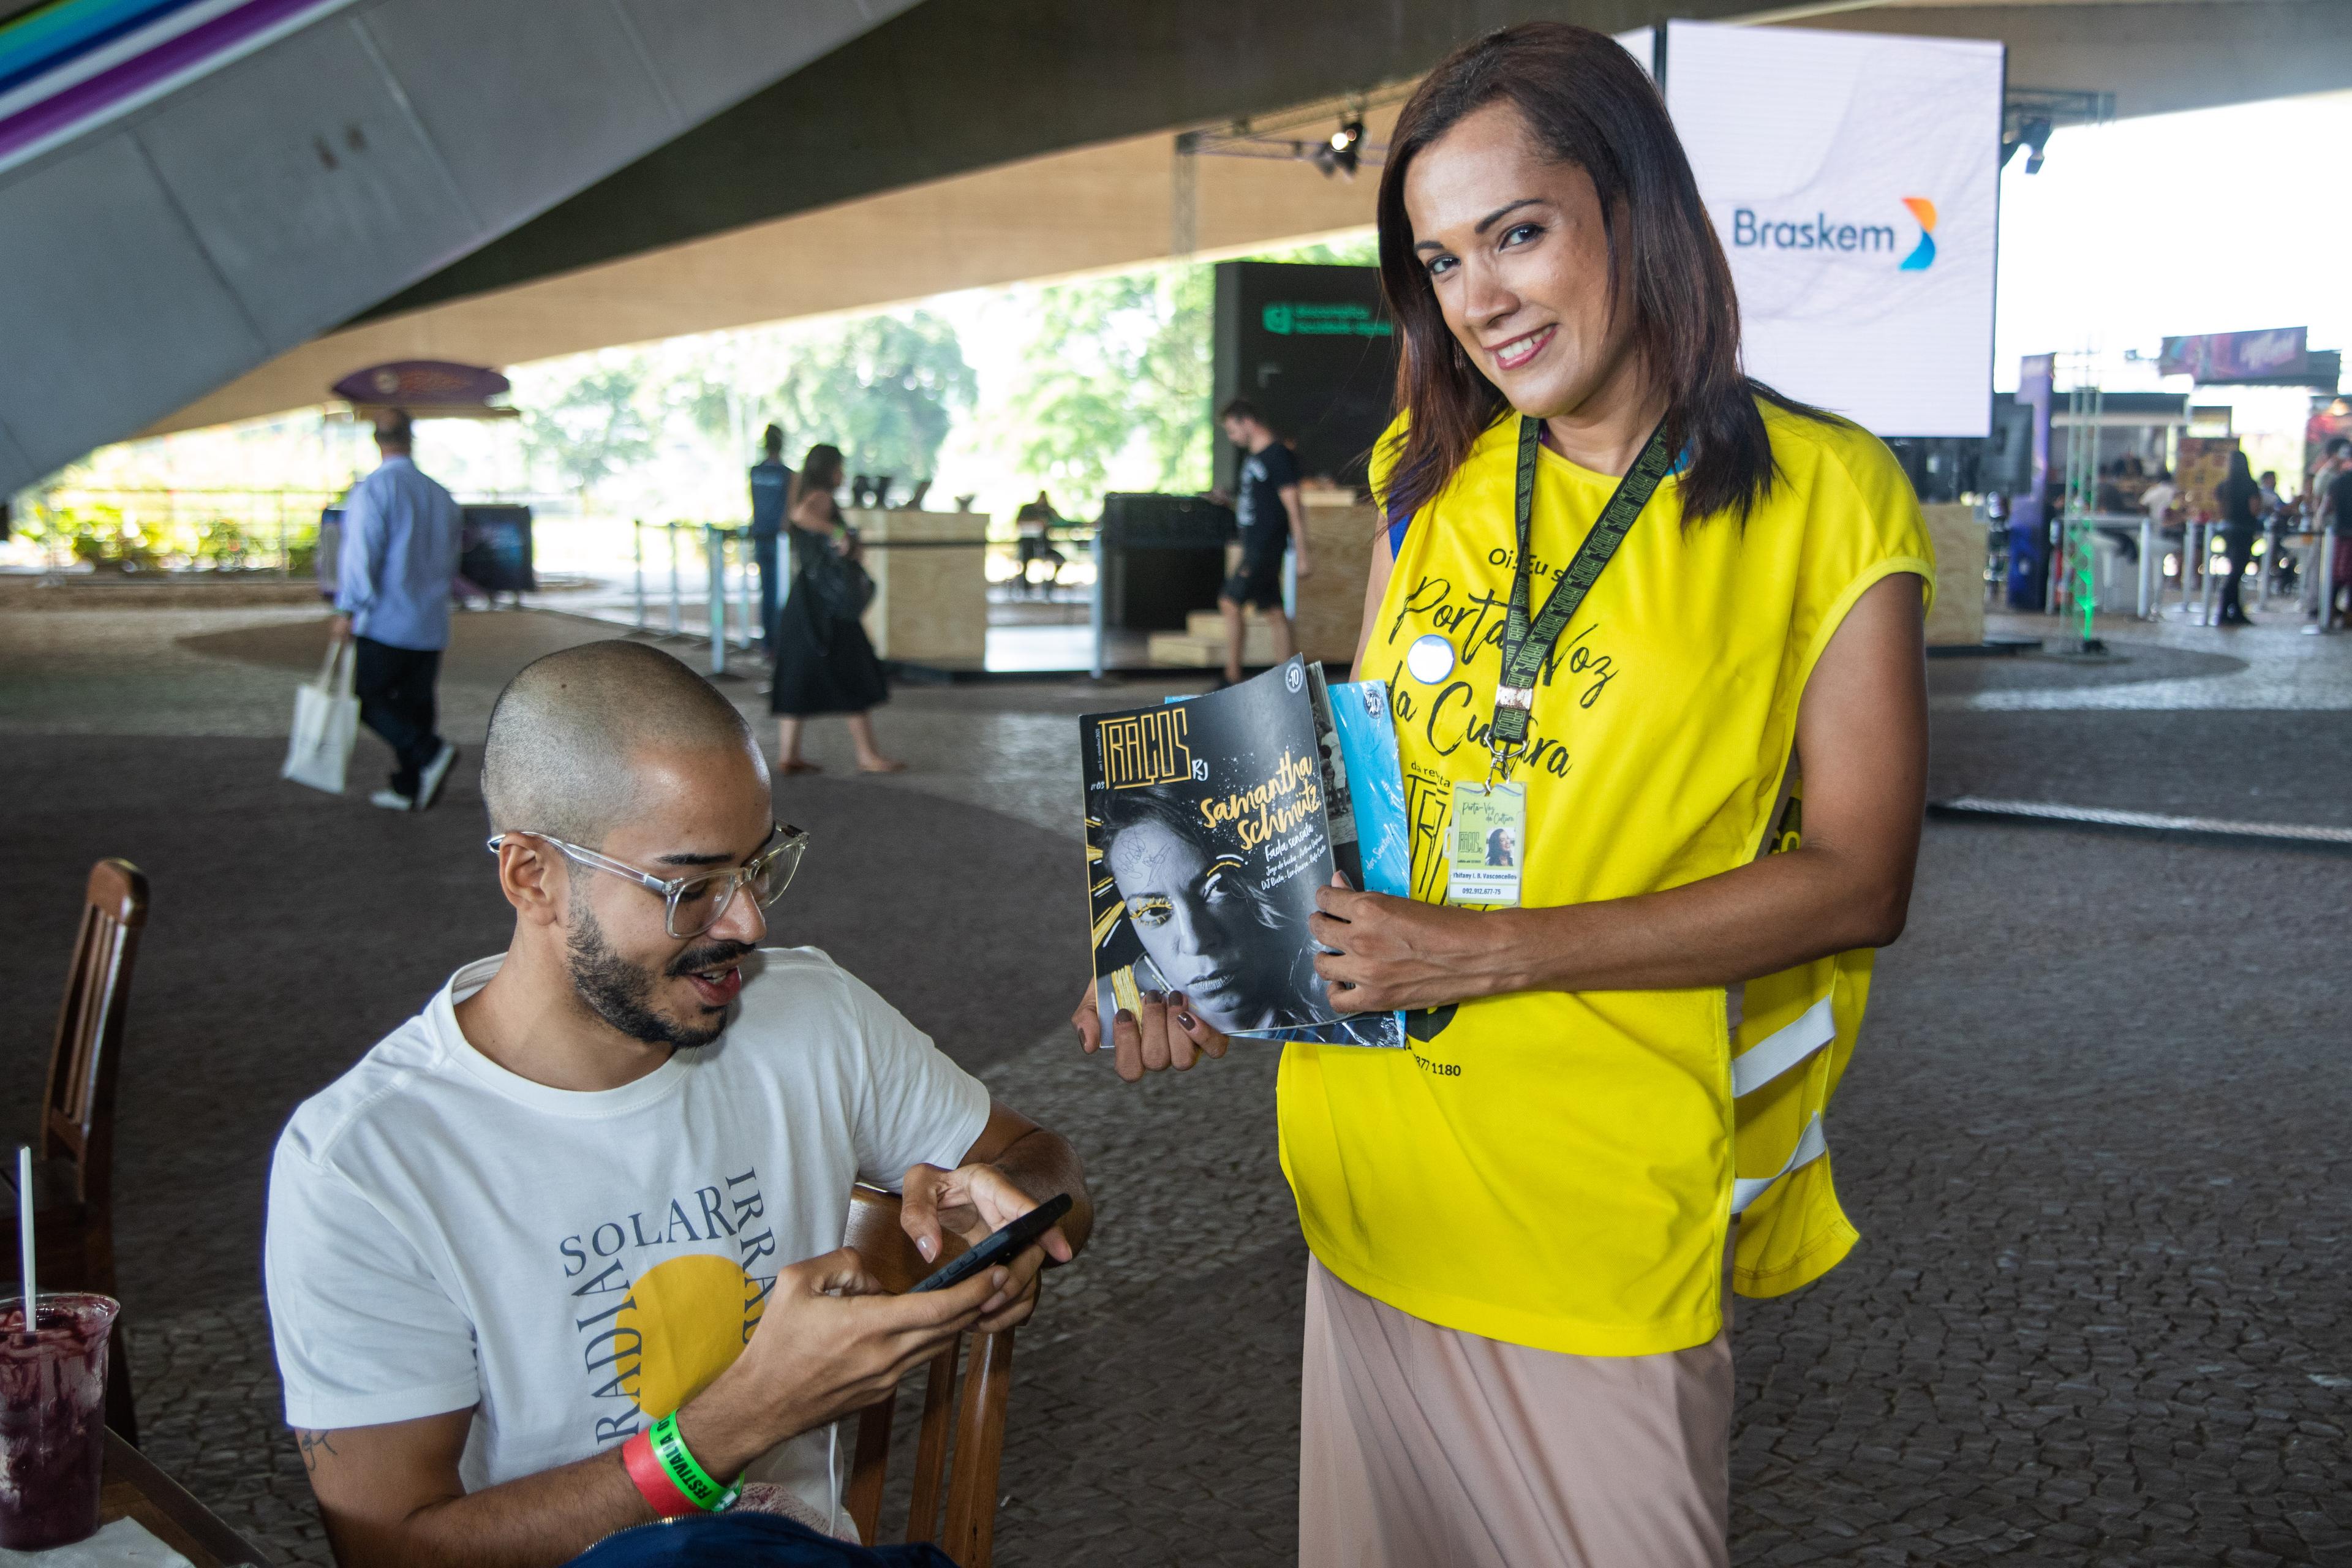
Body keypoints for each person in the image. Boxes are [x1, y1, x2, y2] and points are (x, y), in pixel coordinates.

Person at [1077, 24, 1932, 1567]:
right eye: (1440, 260)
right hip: (1365, 1188)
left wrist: (1485, 950)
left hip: (1593, 1218)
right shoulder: (1429, 468)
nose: (1480, 298)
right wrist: (1220, 967)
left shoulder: (1826, 493)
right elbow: (1354, 800)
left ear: (1634, 208)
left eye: (1518, 234)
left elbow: (1858, 878)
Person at [265, 640, 1091, 1568]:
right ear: (532, 877)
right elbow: (394, 1554)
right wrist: (720, 1435)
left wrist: (1007, 1210)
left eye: (759, 867)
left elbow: (1041, 1160)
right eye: (690, 888)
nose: (749, 924)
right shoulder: (366, 1163)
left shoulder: (809, 1014)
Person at [330, 410, 464, 812]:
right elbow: (453, 558)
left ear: (376, 440)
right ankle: (410, 786)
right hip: (430, 620)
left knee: (368, 700)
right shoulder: (441, 496)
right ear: (411, 438)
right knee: (417, 704)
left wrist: (347, 608)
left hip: (387, 619)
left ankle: (428, 753)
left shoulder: (374, 489)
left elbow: (362, 556)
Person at [771, 444, 903, 775]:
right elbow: (803, 517)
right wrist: (840, 532)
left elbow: (795, 520)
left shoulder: (800, 491)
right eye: (840, 468)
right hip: (827, 603)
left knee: (798, 671)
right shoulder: (820, 498)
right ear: (830, 469)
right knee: (852, 668)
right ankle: (866, 754)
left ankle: (790, 754)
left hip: (805, 599)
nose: (843, 475)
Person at [1216, 400, 1314, 686]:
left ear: (1248, 421)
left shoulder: (1277, 455)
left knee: (1230, 601)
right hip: (1253, 544)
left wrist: (1303, 553)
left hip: (1265, 547)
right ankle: (1291, 681)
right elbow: (1259, 504)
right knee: (1274, 611)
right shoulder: (1255, 458)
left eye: (1233, 431)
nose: (1232, 439)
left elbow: (1293, 505)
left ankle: (1231, 677)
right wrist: (1229, 500)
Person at [748, 425, 794, 647]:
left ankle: (769, 642)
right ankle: (777, 643)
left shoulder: (755, 472)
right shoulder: (787, 475)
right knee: (780, 593)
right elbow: (789, 512)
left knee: (767, 591)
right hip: (778, 541)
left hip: (761, 537)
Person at [2214, 449, 2261, 626]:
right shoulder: (2250, 485)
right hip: (2244, 530)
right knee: (2237, 572)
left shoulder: (2223, 486)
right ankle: (2227, 610)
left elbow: (2220, 511)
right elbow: (2254, 509)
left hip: (2228, 530)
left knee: (2234, 570)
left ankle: (2233, 609)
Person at [1013, 490, 1067, 597]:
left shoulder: (1048, 510)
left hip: (1045, 547)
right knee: (1024, 561)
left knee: (1060, 560)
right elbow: (1018, 523)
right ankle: (1025, 587)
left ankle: (1049, 583)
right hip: (1027, 546)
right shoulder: (1027, 509)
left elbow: (1060, 521)